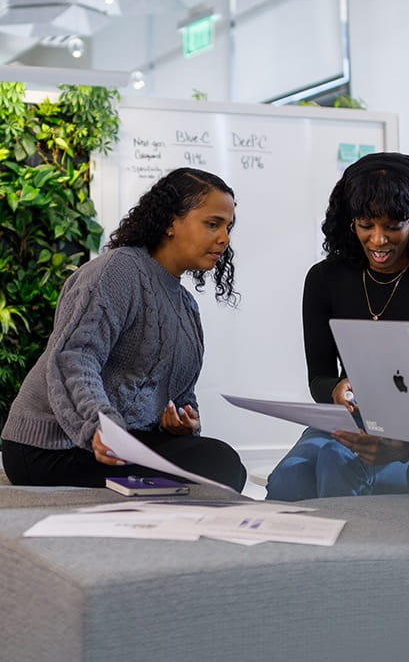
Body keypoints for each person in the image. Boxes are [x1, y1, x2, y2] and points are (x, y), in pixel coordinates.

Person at [1, 167, 247, 492]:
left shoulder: (187, 307)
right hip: (50, 447)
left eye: (227, 227)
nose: (224, 238)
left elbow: (181, 395)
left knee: (220, 463)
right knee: (217, 464)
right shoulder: (118, 270)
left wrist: (180, 426)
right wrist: (99, 427)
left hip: (120, 444)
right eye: (212, 224)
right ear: (171, 222)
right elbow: (74, 359)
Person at [265, 152, 409, 501]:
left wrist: (403, 446)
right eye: (366, 225)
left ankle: (353, 555)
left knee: (336, 463)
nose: (378, 240)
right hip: (346, 422)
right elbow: (319, 376)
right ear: (350, 222)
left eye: (393, 226)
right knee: (289, 480)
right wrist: (337, 390)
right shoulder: (324, 279)